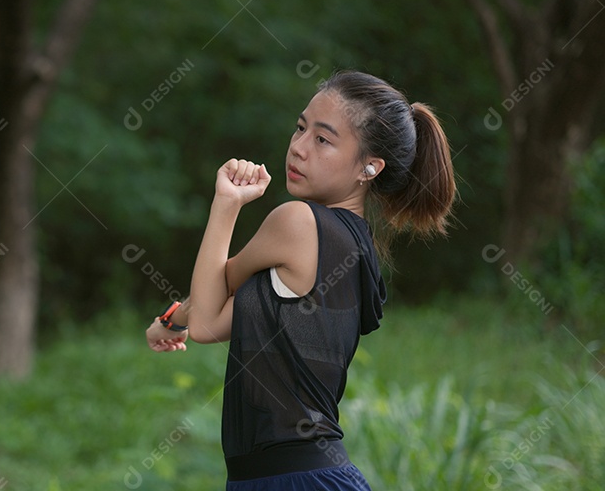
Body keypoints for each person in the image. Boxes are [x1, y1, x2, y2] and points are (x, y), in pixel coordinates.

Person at [145, 71, 456, 490]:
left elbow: (204, 315)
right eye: (300, 127)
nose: (298, 147)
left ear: (369, 166)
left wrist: (227, 203)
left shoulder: (297, 222)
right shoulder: (351, 245)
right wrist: (173, 320)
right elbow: (211, 316)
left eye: (323, 139)